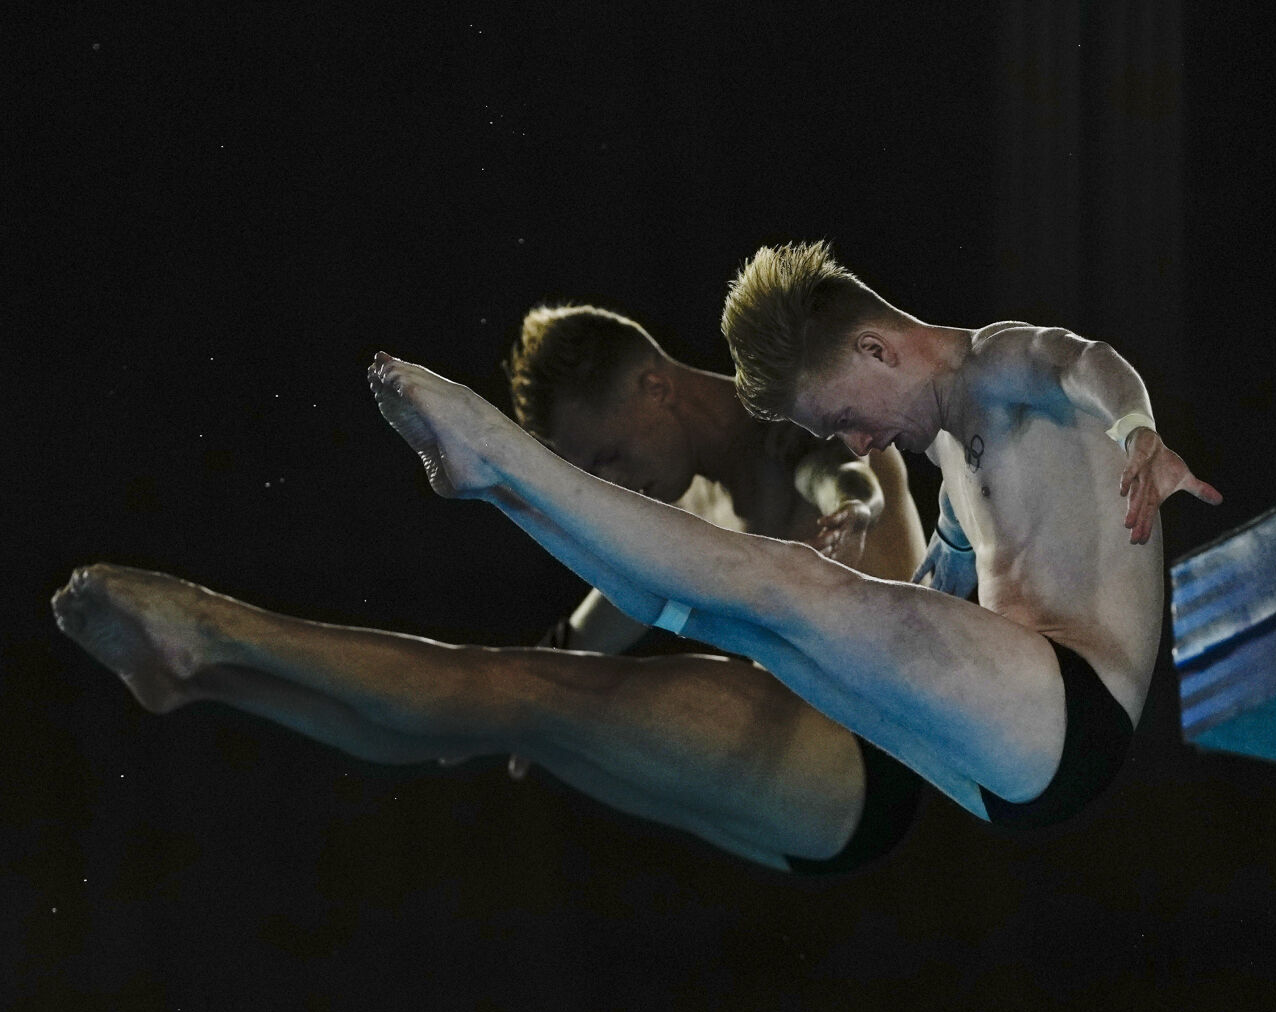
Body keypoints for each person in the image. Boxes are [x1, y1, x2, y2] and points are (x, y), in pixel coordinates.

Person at [52, 302, 954, 873]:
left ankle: (216, 626)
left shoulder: (780, 424)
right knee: (497, 705)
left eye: (609, 454)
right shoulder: (690, 501)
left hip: (869, 751)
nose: (617, 483)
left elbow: (832, 470)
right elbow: (580, 636)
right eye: (592, 473)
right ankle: (202, 679)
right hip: (812, 796)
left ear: (655, 385)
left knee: (517, 692)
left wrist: (860, 502)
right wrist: (455, 701)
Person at [359, 240, 1221, 833]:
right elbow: (936, 589)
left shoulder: (994, 364)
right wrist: (859, 634)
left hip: (1073, 704)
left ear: (877, 350)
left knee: (790, 585)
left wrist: (1136, 429)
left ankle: (500, 452)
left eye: (843, 418)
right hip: (1004, 765)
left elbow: (1080, 359)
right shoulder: (950, 458)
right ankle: (502, 491)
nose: (859, 444)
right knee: (748, 627)